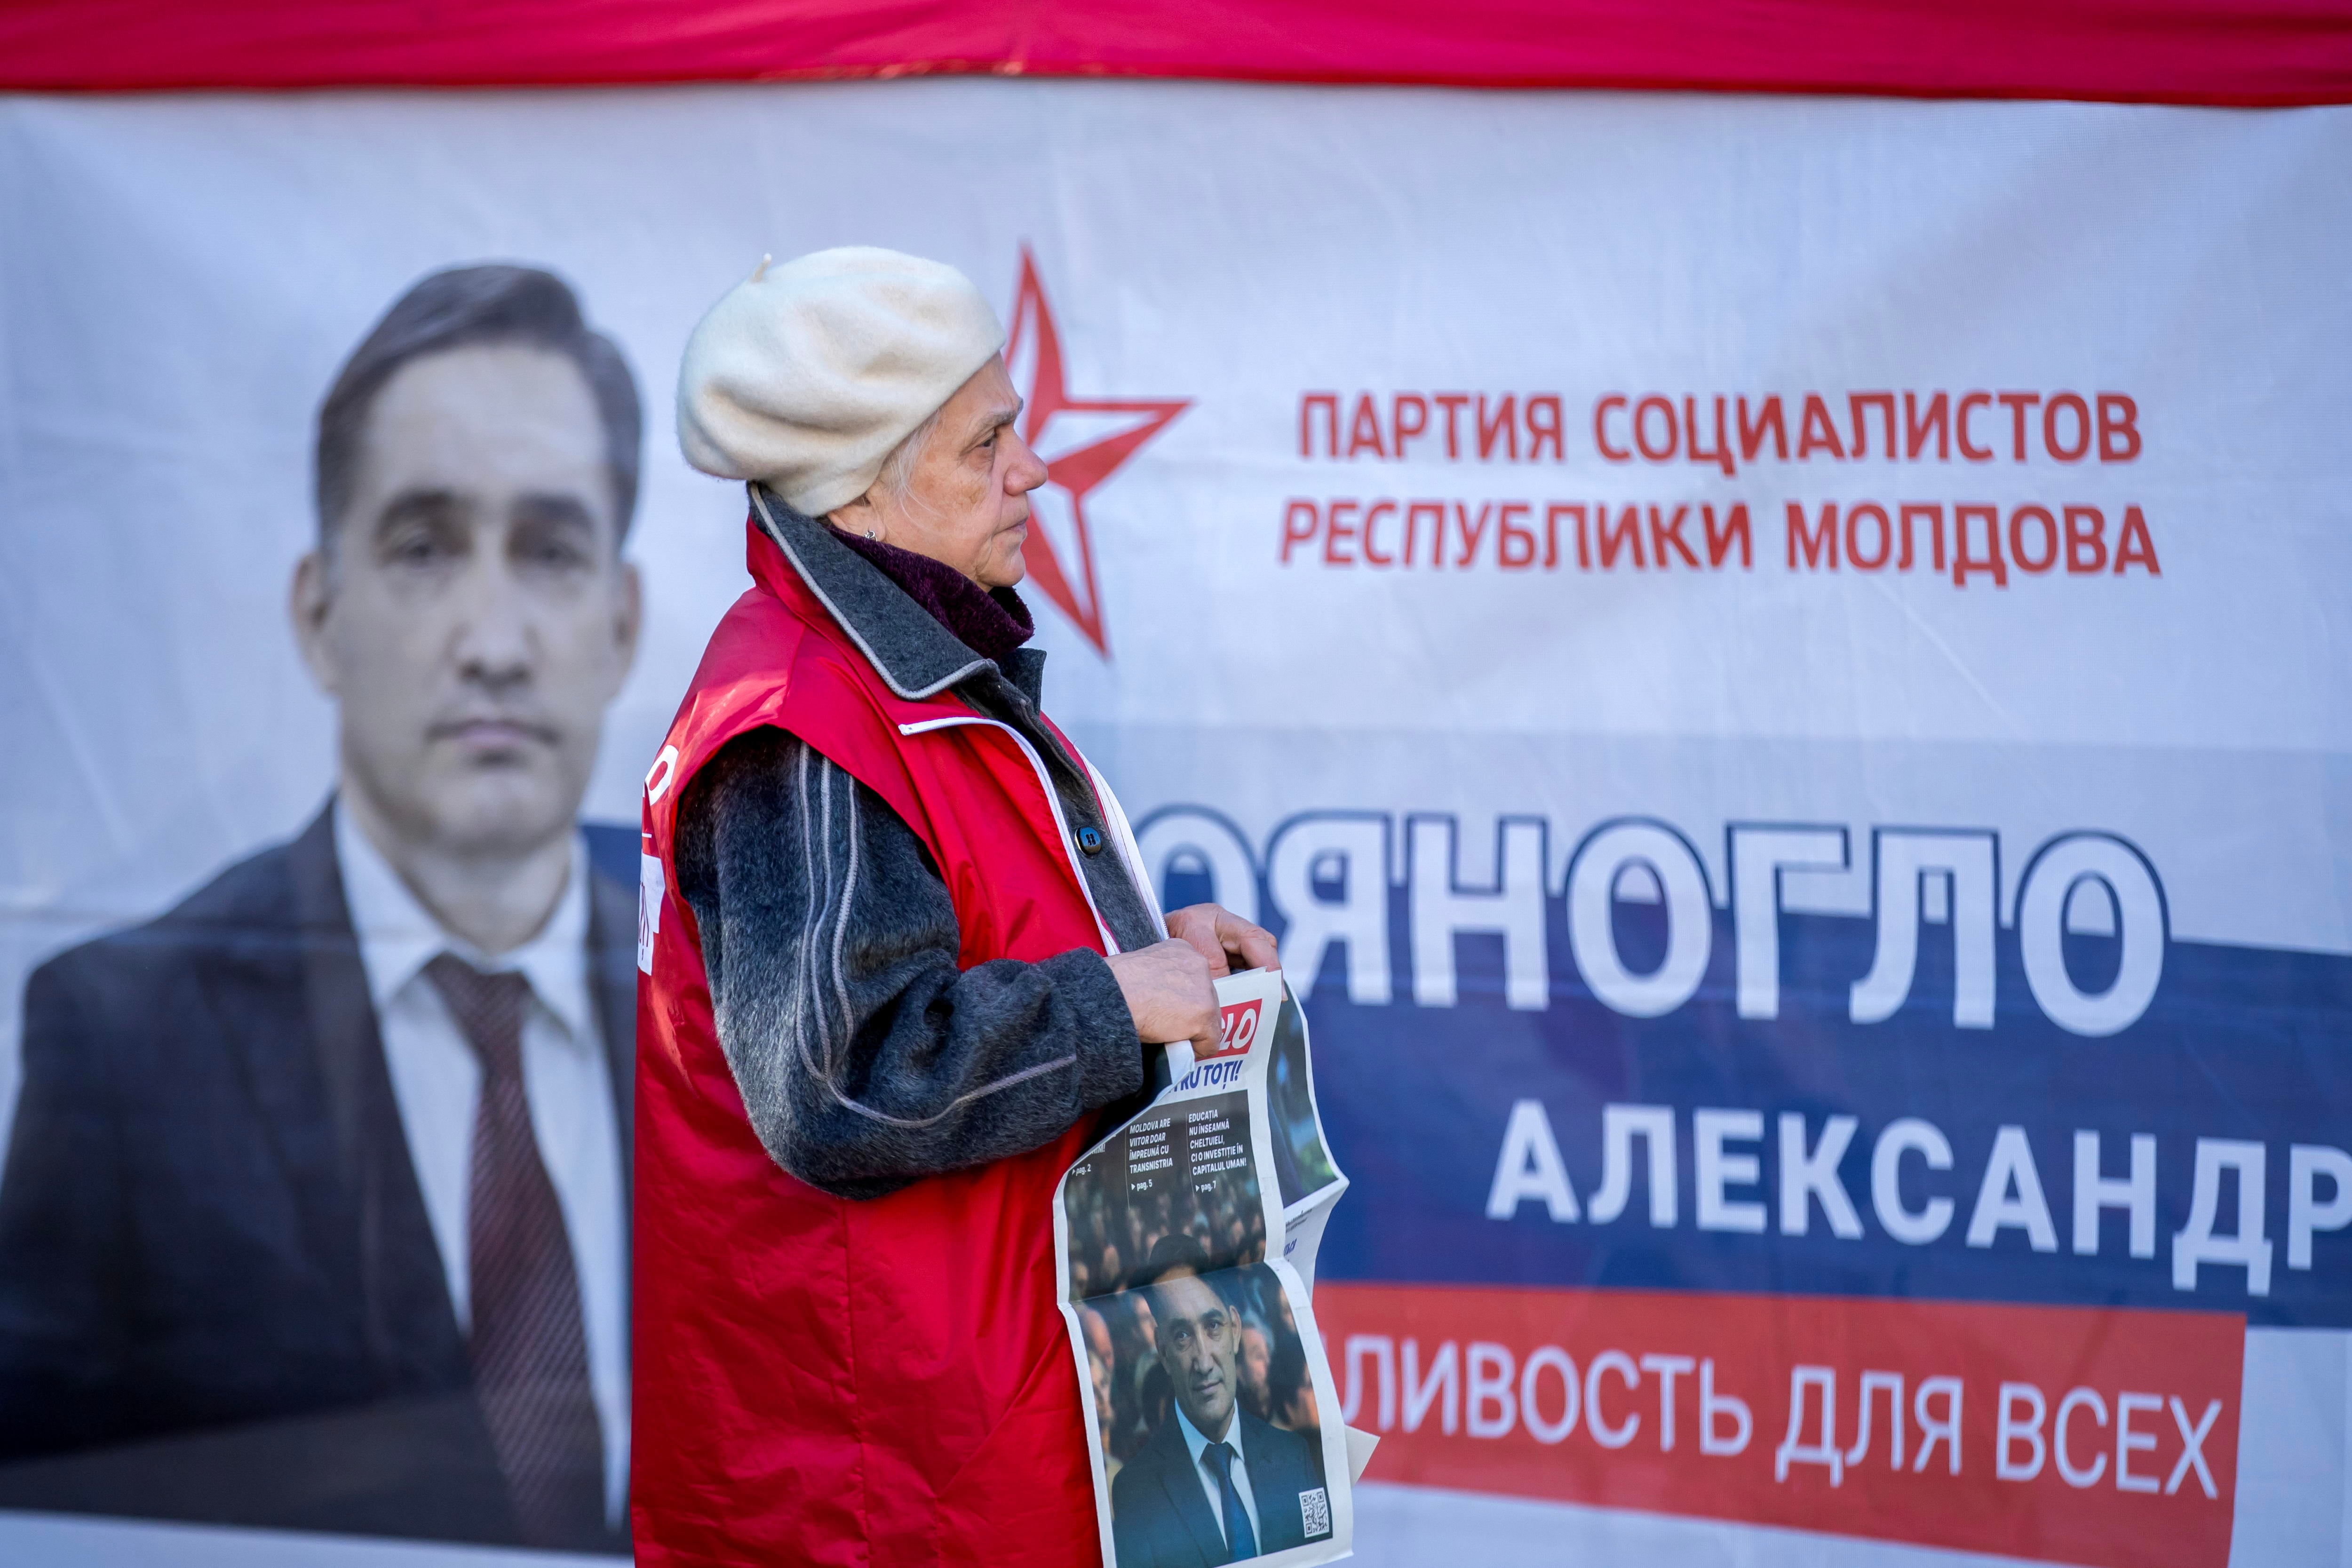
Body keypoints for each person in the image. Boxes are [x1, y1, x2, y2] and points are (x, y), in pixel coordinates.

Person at [634, 246, 1279, 1567]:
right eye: (988, 442)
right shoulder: (796, 726)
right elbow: (841, 1079)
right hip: (881, 1492)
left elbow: (976, 936)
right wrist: (1111, 1001)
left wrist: (1150, 960)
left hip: (980, 1430)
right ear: (866, 487)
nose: (1032, 471)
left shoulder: (905, 665)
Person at [0, 265, 644, 1553]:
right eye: (422, 547)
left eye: (552, 551)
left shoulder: (746, 994)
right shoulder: (123, 1035)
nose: (496, 640)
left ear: (621, 623)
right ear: (317, 613)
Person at [1110, 1240, 1331, 1568]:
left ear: (1235, 1329)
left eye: (1213, 1326)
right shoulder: (1137, 1491)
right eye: (1182, 1335)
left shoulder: (1293, 1456)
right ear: (1163, 1351)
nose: (1203, 1361)